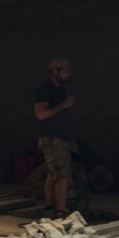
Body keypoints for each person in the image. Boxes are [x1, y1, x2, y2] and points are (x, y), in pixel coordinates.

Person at [34, 58, 74, 219]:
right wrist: (62, 106)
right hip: (51, 137)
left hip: (61, 136)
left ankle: (49, 206)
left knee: (53, 173)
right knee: (62, 174)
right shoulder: (44, 89)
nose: (68, 74)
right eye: (65, 70)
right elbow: (40, 114)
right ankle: (61, 210)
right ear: (55, 71)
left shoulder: (61, 89)